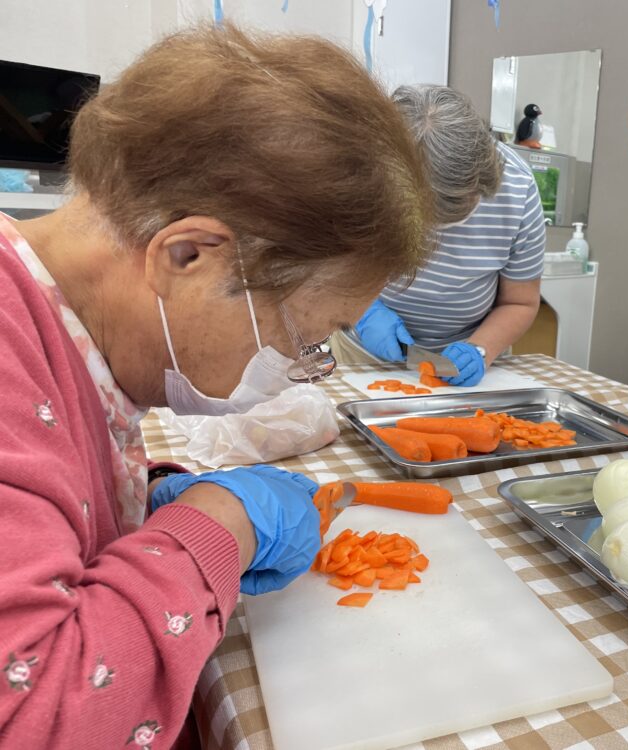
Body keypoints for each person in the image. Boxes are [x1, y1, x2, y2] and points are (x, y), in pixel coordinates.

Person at [0, 25, 432, 749]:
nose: (310, 365)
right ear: (189, 256)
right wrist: (220, 521)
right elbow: (37, 715)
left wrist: (140, 506)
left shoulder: (59, 326)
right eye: (309, 334)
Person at [340, 85, 546, 387]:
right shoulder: (362, 176)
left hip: (471, 361)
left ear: (483, 179)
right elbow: (328, 268)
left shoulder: (517, 187)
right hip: (364, 356)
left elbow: (521, 302)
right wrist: (363, 310)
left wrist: (479, 349)